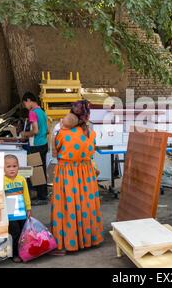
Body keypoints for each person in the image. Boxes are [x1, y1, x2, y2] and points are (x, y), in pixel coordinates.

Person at [50, 100, 104, 255]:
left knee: (68, 205)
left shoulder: (60, 132)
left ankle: (67, 242)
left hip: (67, 172)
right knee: (85, 204)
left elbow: (54, 152)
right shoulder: (90, 132)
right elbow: (90, 152)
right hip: (86, 173)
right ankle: (89, 239)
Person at [21, 92, 49, 205]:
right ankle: (43, 194)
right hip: (44, 143)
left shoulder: (32, 113)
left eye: (25, 103)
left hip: (36, 145)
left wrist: (25, 134)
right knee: (42, 169)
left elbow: (35, 131)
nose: (25, 106)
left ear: (28, 100)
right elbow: (46, 129)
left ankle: (41, 197)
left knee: (37, 171)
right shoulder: (42, 112)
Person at [4, 154, 32, 263]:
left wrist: (28, 208)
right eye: (8, 166)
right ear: (3, 168)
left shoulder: (21, 179)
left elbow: (26, 195)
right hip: (10, 211)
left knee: (22, 233)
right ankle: (14, 254)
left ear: (18, 167)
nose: (12, 169)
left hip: (21, 210)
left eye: (14, 166)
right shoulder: (2, 181)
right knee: (14, 233)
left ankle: (23, 252)